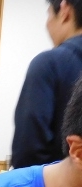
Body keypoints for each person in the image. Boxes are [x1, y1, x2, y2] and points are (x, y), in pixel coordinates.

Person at [12, 0, 82, 169]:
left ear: (64, 10)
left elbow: (28, 150)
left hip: (62, 184)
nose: (47, 24)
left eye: (49, 14)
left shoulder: (49, 64)